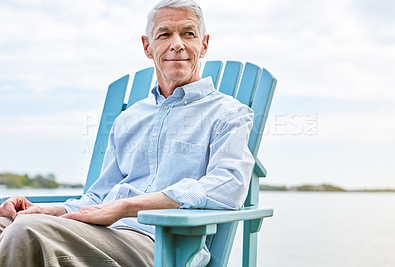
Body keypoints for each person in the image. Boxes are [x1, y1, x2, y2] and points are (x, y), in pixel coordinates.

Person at [0, 0, 255, 266]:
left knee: (25, 232)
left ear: (203, 44)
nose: (177, 43)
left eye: (188, 33)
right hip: (100, 234)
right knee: (11, 223)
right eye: (165, 34)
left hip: (161, 244)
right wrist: (44, 210)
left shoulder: (228, 113)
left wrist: (127, 206)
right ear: (147, 46)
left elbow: (230, 184)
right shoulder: (129, 118)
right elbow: (99, 198)